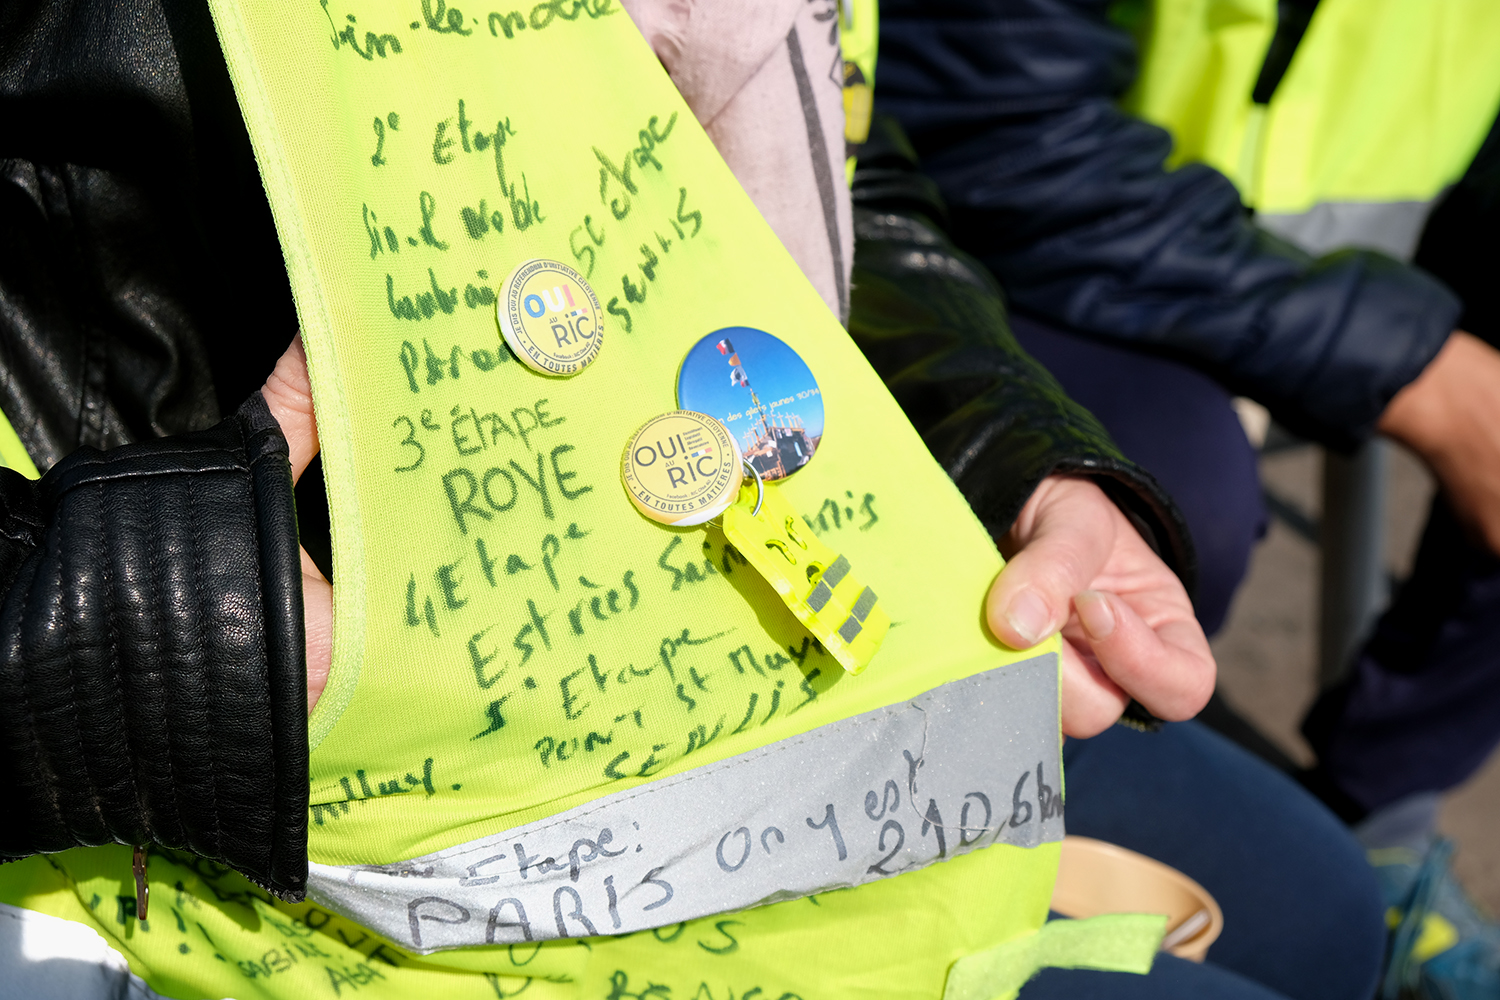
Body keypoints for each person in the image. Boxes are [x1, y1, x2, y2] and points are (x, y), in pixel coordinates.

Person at [0, 0, 1376, 996]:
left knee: (1322, 916)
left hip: (720, 619)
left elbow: (830, 168)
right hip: (270, 791)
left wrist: (1015, 463)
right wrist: (162, 628)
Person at [872, 0, 1500, 993]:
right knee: (1181, 490)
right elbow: (969, 137)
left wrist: (1029, 458)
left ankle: (1386, 812)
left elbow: (856, 189)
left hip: (1273, 253)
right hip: (1067, 231)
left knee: (1322, 911)